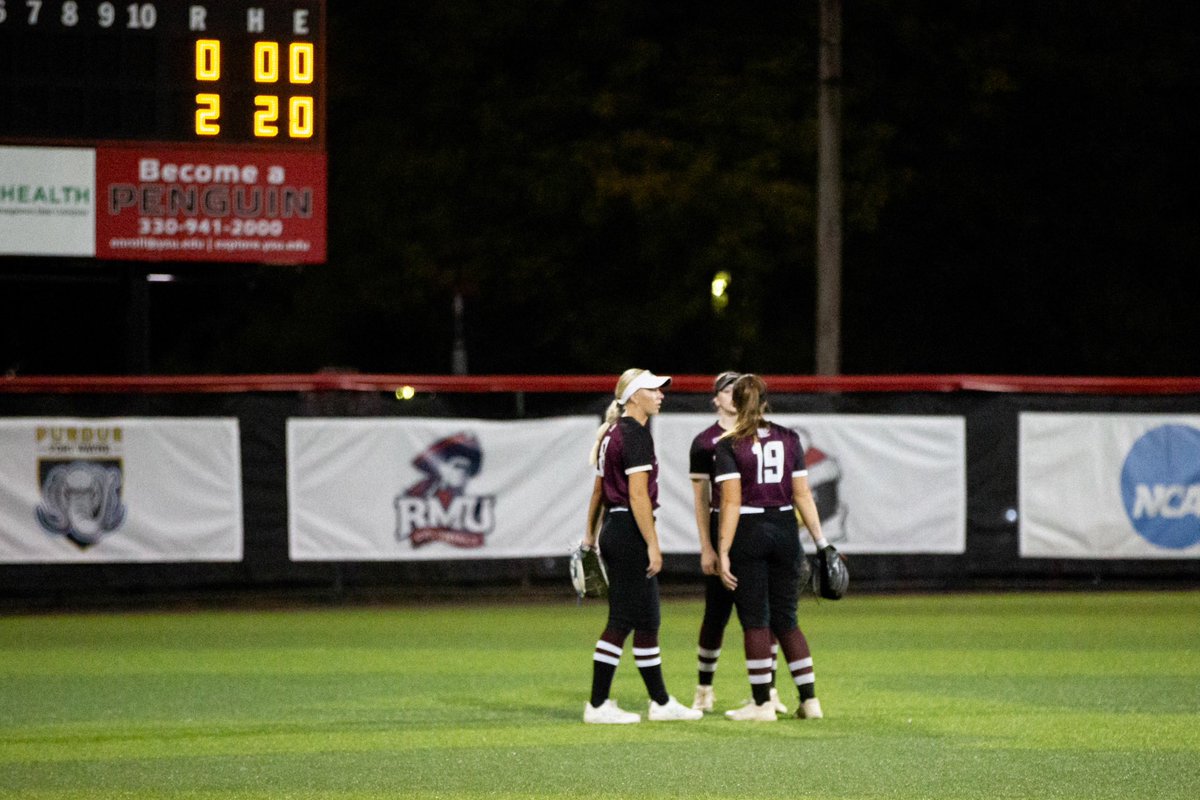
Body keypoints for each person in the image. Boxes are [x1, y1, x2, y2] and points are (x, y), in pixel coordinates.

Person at [581, 368, 703, 724]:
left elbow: (597, 491)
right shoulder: (633, 435)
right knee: (622, 619)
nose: (661, 394)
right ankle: (598, 704)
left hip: (616, 528)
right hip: (629, 529)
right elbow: (637, 495)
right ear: (634, 396)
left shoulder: (613, 433)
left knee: (648, 620)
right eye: (654, 390)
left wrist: (590, 535)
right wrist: (653, 544)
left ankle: (661, 702)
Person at [714, 374, 829, 721]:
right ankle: (810, 701)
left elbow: (731, 504)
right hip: (784, 528)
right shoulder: (789, 437)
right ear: (765, 400)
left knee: (755, 621)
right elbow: (802, 495)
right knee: (788, 620)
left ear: (734, 402)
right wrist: (821, 542)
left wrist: (722, 550)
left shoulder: (728, 444)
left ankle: (762, 703)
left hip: (749, 529)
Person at [688, 372, 788, 715]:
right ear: (715, 398)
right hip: (723, 526)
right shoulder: (705, 442)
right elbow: (702, 499)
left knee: (763, 614)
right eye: (725, 390)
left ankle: (767, 691)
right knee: (716, 614)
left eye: (737, 389)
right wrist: (707, 545)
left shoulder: (761, 434)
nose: (732, 394)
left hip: (755, 531)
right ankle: (704, 688)